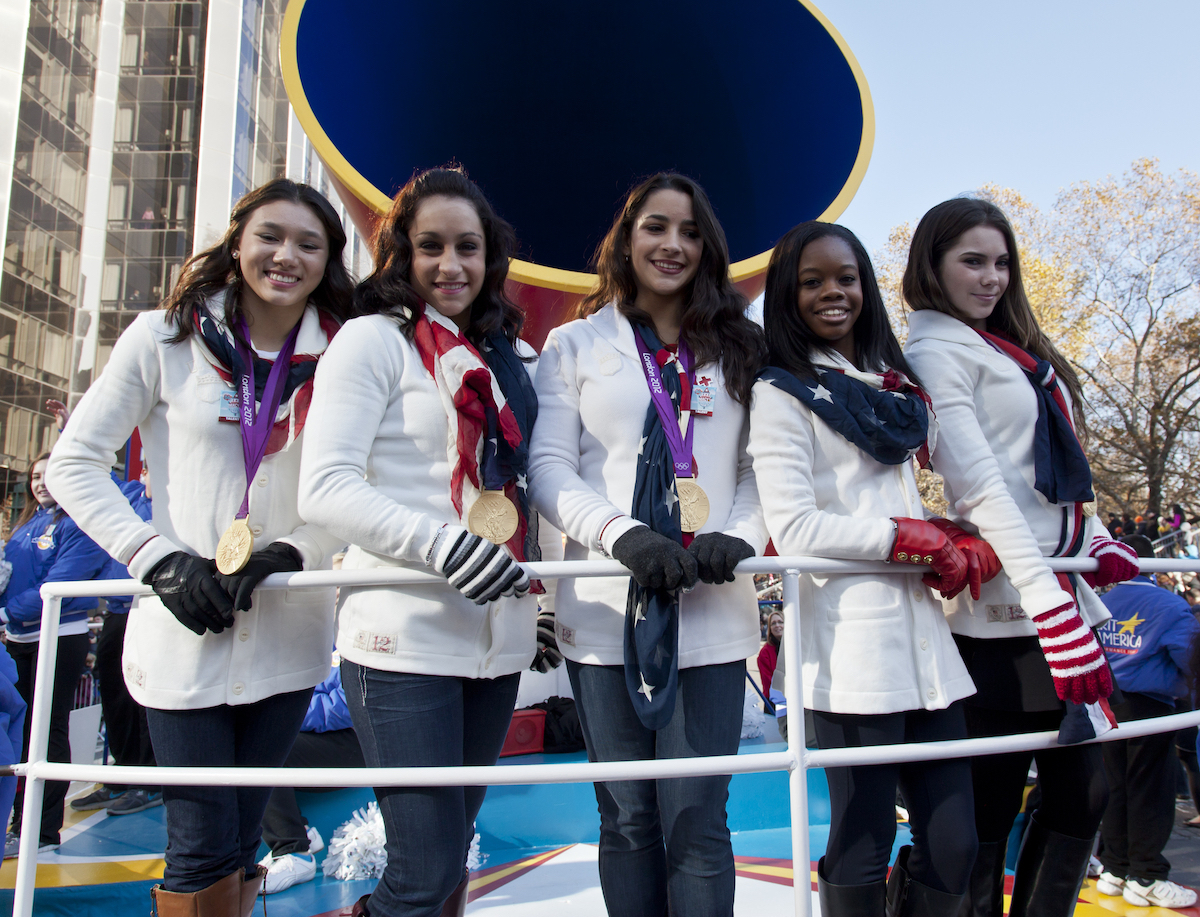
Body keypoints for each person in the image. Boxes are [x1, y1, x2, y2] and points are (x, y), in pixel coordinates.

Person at [46, 177, 353, 914]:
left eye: (309, 244)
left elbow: (358, 485)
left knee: (245, 835)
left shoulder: (345, 356)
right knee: (200, 843)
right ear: (237, 241)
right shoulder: (164, 337)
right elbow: (73, 462)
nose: (287, 256)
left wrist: (298, 551)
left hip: (286, 633)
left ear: (329, 261)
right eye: (270, 236)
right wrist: (155, 557)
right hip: (182, 632)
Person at [298, 166, 539, 917]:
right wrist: (442, 546)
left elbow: (537, 483)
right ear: (401, 254)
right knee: (423, 870)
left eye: (467, 247)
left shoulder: (516, 359)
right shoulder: (372, 341)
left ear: (490, 256)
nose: (450, 265)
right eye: (430, 246)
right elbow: (326, 486)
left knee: (449, 866)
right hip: (400, 635)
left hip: (498, 642)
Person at [528, 172, 768, 917]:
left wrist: (738, 534)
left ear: (710, 246)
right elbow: (548, 468)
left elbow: (766, 469)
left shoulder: (743, 346)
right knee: (627, 817)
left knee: (699, 821)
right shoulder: (572, 343)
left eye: (691, 231)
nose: (672, 244)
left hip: (713, 611)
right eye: (655, 227)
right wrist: (620, 534)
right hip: (603, 613)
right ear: (625, 238)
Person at [902, 197, 1139, 917]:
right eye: (972, 260)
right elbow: (981, 486)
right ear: (932, 265)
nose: (993, 277)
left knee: (1086, 790)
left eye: (1002, 261)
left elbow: (1048, 475)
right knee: (991, 803)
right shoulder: (934, 349)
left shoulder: (1011, 349)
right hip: (997, 611)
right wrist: (1052, 604)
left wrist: (1091, 540)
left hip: (1051, 593)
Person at [748, 221, 986, 916]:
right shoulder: (780, 391)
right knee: (862, 836)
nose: (832, 293)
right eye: (811, 281)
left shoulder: (895, 387)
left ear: (866, 286)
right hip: (849, 651)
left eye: (845, 278)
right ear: (786, 297)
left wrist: (956, 534)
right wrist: (908, 539)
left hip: (928, 650)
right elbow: (792, 526)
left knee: (956, 843)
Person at [1, 453, 109, 857]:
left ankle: (43, 833)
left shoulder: (77, 524)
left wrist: (7, 611)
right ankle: (15, 824)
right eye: (34, 476)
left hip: (59, 637)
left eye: (48, 475)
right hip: (19, 640)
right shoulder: (25, 527)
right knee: (18, 733)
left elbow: (62, 581)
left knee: (47, 731)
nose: (40, 482)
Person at [1094, 533, 1198, 908]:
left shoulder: (1102, 600)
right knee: (1150, 793)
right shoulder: (1169, 605)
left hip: (1105, 705)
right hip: (1148, 707)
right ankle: (1146, 875)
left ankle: (1115, 869)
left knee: (1117, 788)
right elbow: (1191, 659)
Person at [71, 465, 160, 816]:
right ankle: (122, 774)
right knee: (114, 692)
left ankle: (149, 781)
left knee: (145, 697)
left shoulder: (174, 506)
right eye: (152, 469)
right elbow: (96, 477)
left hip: (155, 610)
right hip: (118, 609)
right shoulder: (131, 498)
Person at [258, 663, 364, 895]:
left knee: (263, 745)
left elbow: (347, 705)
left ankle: (294, 851)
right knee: (252, 739)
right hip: (331, 734)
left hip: (362, 741)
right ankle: (296, 836)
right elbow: (319, 686)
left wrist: (281, 714)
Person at [757, 610, 784, 700]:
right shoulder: (765, 653)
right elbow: (768, 682)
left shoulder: (796, 647)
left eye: (780, 622)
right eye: (773, 623)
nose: (777, 625)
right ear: (770, 628)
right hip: (774, 699)